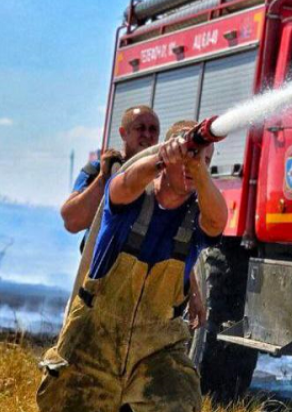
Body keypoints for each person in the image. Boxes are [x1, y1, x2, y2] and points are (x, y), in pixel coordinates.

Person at [38, 120, 228, 412]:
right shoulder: (131, 197)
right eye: (191, 156)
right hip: (94, 336)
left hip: (156, 347)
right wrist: (163, 157)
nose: (196, 165)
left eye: (205, 160)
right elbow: (124, 184)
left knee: (180, 400)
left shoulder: (198, 215)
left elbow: (218, 221)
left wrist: (197, 168)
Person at [61, 105, 160, 237]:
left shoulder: (163, 176)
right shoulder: (97, 169)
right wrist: (104, 178)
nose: (147, 135)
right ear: (123, 133)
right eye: (140, 128)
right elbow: (72, 221)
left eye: (153, 129)